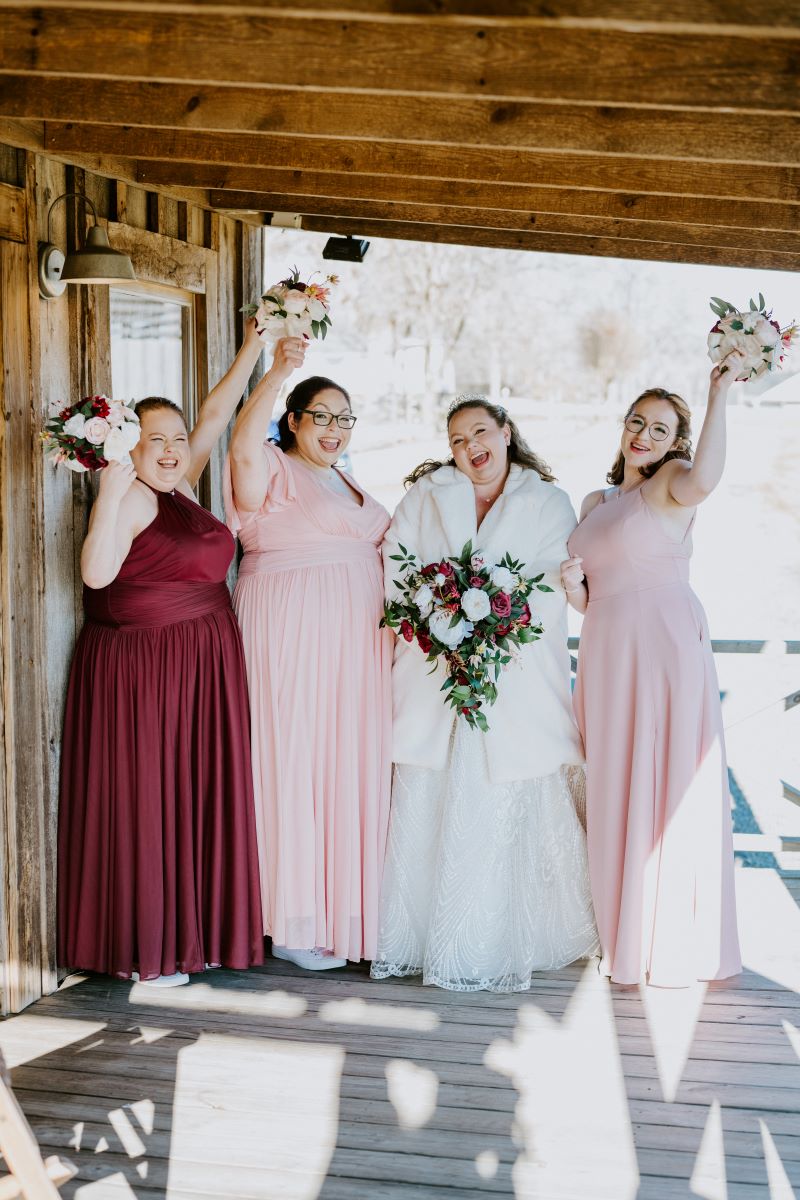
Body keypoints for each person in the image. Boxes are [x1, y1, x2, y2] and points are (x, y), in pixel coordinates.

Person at [58, 320, 266, 986]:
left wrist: (257, 350)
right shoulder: (133, 496)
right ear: (130, 448)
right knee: (151, 795)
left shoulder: (176, 486)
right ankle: (149, 946)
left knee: (190, 791)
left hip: (200, 662)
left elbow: (213, 415)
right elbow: (96, 575)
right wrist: (111, 494)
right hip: (145, 668)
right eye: (157, 441)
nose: (174, 449)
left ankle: (191, 932)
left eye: (177, 440)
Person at [371, 396, 598, 993]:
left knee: (510, 792)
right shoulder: (426, 496)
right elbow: (399, 567)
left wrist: (493, 628)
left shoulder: (547, 500)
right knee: (434, 789)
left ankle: (518, 935)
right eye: (455, 438)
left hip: (516, 677)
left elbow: (554, 582)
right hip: (435, 671)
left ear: (504, 433)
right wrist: (434, 616)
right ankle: (426, 935)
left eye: (479, 431)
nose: (469, 445)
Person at [562, 362, 743, 987]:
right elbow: (592, 597)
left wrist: (720, 394)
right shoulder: (596, 502)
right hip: (606, 649)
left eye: (659, 429)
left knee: (666, 778)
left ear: (675, 443)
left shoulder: (671, 483)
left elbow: (708, 478)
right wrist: (571, 590)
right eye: (636, 422)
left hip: (665, 647)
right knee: (615, 778)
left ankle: (667, 933)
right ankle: (621, 928)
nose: (643, 435)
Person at [225, 339, 393, 970]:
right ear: (292, 420)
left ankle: (346, 913)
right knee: (294, 757)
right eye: (321, 415)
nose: (335, 429)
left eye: (345, 419)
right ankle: (292, 919)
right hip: (292, 626)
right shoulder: (269, 463)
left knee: (346, 764)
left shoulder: (344, 476)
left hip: (356, 643)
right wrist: (279, 369)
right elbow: (239, 445)